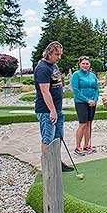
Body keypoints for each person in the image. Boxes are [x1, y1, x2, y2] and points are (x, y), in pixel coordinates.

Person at [34, 41, 73, 172]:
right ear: (49, 53)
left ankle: (56, 162)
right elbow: (45, 91)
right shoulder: (42, 68)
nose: (59, 57)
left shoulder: (53, 65)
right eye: (57, 54)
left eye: (60, 54)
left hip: (57, 109)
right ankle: (47, 167)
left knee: (58, 137)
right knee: (47, 138)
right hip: (46, 111)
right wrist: (52, 111)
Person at [71, 56, 99, 156]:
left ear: (89, 64)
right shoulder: (76, 75)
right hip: (81, 102)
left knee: (89, 124)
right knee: (82, 124)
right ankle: (78, 147)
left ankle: (86, 145)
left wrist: (94, 100)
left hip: (92, 102)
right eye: (83, 63)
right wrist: (87, 100)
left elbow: (96, 89)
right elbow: (76, 90)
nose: (85, 65)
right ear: (80, 64)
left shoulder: (93, 76)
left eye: (87, 63)